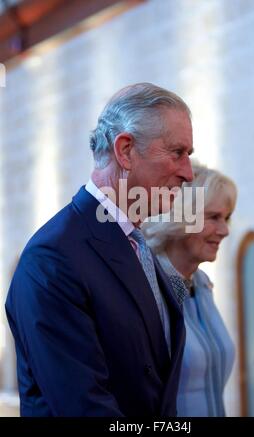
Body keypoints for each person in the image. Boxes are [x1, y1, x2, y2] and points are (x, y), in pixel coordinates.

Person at [5, 82, 194, 417]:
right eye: (177, 153)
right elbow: (83, 407)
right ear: (125, 150)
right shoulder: (53, 258)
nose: (188, 173)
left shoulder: (136, 243)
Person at [142, 164, 237, 416]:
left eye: (226, 218)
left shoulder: (202, 284)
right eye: (214, 217)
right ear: (179, 216)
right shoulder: (146, 285)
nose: (225, 231)